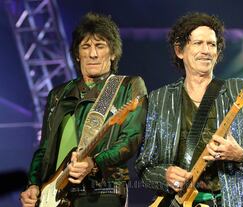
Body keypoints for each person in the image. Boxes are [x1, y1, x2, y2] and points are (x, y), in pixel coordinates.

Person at [136, 12, 243, 207]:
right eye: (198, 43)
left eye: (212, 44)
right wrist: (165, 175)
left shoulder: (239, 90)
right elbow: (144, 166)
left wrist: (241, 153)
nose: (206, 50)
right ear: (180, 50)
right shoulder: (160, 98)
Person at [20, 12, 147, 207]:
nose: (93, 54)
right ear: (77, 55)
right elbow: (44, 149)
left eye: (100, 46)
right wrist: (34, 184)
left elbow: (131, 139)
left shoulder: (127, 86)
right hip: (53, 196)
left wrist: (94, 163)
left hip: (101, 192)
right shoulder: (58, 94)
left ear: (113, 53)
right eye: (86, 46)